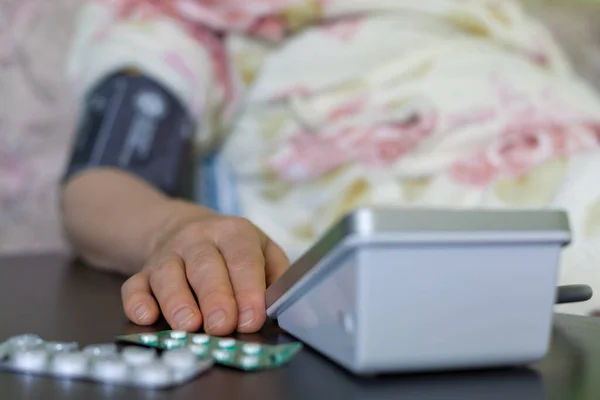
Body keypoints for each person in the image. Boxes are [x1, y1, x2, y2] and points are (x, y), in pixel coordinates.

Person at [61, 0, 600, 336]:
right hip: (484, 217)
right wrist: (176, 229)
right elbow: (103, 181)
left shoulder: (483, 13)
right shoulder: (179, 12)